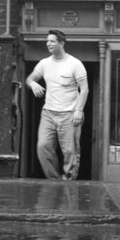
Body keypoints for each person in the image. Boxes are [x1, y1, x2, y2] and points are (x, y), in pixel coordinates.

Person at [26, 29, 88, 180]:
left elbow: (84, 89)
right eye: (47, 41)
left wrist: (79, 110)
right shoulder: (44, 63)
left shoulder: (74, 63)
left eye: (52, 41)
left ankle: (68, 181)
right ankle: (54, 180)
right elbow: (29, 79)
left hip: (69, 114)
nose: (48, 44)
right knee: (43, 147)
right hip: (48, 113)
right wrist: (33, 84)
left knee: (70, 151)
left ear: (61, 43)